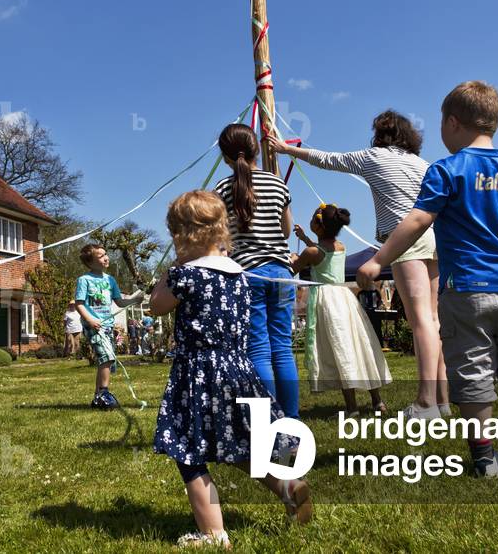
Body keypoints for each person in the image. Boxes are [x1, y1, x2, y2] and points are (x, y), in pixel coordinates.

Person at [359, 81, 498, 477]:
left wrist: (379, 259)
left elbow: (419, 220)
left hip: (466, 291)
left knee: (472, 372)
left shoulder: (446, 170)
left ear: (453, 123)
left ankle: (485, 461)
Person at [150, 190, 311, 547]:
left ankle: (213, 534)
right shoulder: (240, 274)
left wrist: (168, 272)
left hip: (199, 374)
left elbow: (156, 307)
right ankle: (287, 485)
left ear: (181, 235)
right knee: (241, 444)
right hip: (239, 370)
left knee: (188, 451)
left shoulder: (185, 275)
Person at [268, 109, 449, 419]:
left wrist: (286, 149)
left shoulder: (373, 158)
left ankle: (425, 402)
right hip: (433, 238)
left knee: (420, 321)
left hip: (404, 239)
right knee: (433, 320)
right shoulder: (422, 163)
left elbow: (327, 159)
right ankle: (443, 402)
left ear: (379, 134)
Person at [214, 124, 299, 418]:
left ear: (225, 157)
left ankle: (267, 423)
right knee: (283, 349)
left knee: (259, 350)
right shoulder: (278, 185)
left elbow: (220, 237)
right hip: (281, 273)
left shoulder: (221, 190)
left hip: (247, 274)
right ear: (257, 150)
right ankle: (292, 421)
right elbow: (286, 231)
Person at [291, 204, 392, 416]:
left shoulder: (311, 252)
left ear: (318, 227)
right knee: (359, 345)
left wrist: (292, 258)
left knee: (341, 348)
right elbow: (320, 254)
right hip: (344, 298)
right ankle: (377, 401)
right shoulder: (341, 246)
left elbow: (297, 266)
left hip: (327, 301)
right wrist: (306, 238)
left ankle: (352, 407)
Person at [75, 244, 144, 409]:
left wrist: (135, 300)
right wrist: (90, 320)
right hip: (94, 326)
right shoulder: (84, 280)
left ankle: (97, 397)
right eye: (100, 256)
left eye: (106, 254)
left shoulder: (110, 280)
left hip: (107, 326)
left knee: (105, 362)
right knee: (107, 357)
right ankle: (104, 392)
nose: (106, 258)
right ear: (90, 262)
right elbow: (79, 304)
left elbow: (119, 301)